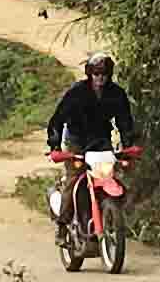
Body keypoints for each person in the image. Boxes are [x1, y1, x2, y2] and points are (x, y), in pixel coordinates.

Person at [45, 52, 140, 227]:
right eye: (96, 74)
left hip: (101, 142)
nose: (100, 78)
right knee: (74, 179)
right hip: (77, 142)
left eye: (104, 74)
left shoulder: (116, 94)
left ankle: (108, 215)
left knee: (111, 176)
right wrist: (55, 146)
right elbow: (57, 120)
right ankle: (63, 224)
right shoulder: (76, 92)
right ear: (90, 74)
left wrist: (129, 146)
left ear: (109, 75)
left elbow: (125, 122)